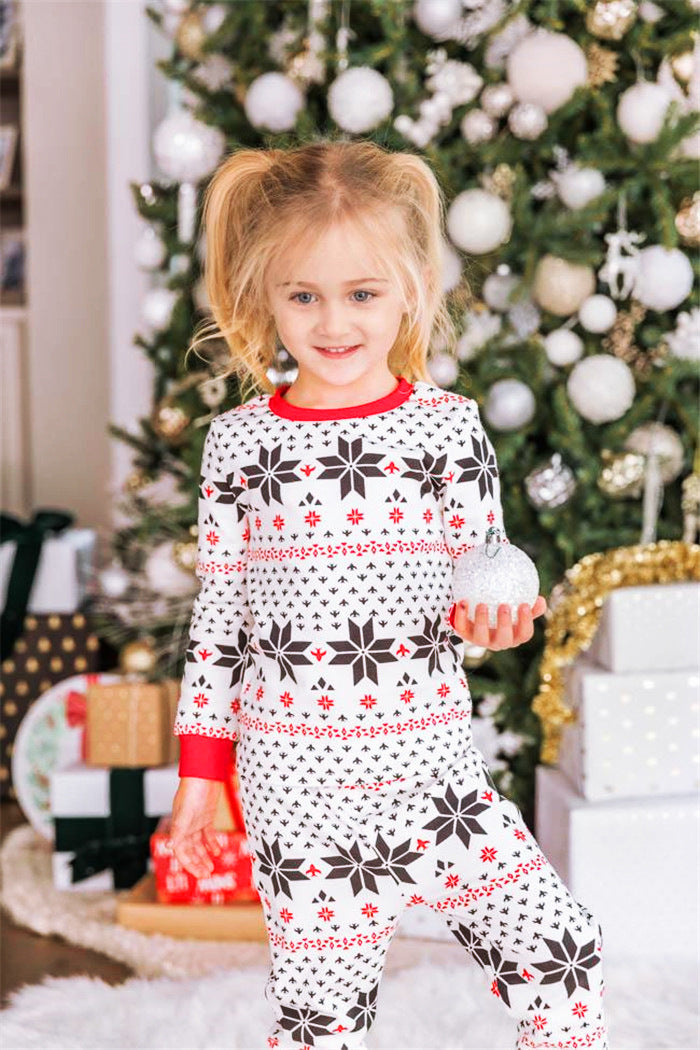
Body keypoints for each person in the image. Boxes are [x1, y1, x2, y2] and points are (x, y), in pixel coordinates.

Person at [169, 140, 608, 1050]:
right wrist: (200, 782)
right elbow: (218, 624)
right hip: (298, 785)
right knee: (324, 1021)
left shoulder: (449, 432)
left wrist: (498, 617)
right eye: (305, 295)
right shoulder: (241, 447)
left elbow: (477, 590)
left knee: (561, 956)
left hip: (433, 774)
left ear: (412, 287)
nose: (335, 322)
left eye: (362, 293)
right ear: (267, 298)